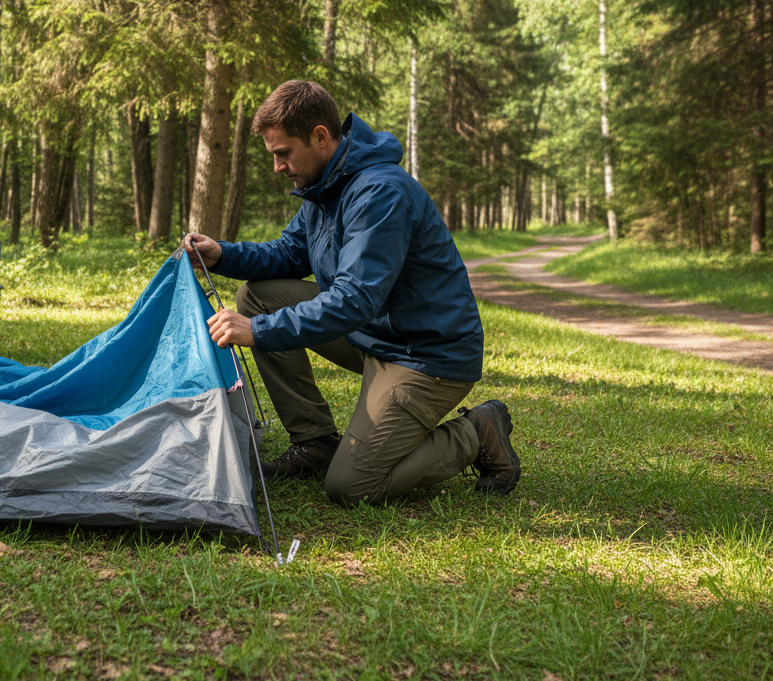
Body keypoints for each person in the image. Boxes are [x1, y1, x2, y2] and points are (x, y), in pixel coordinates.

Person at [182, 80, 520, 505]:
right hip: (375, 335)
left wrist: (259, 331)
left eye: (282, 153)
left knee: (352, 487)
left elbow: (354, 299)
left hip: (425, 356)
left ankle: (477, 432)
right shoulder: (325, 186)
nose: (278, 167)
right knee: (258, 295)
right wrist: (221, 256)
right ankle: (315, 441)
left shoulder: (379, 191)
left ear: (320, 137)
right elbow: (290, 253)